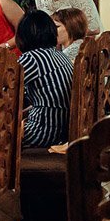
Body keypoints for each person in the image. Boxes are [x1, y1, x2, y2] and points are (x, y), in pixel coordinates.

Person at [15, 11, 73, 148]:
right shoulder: (60, 55)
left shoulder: (32, 58)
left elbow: (4, 87)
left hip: (43, 131)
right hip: (62, 129)